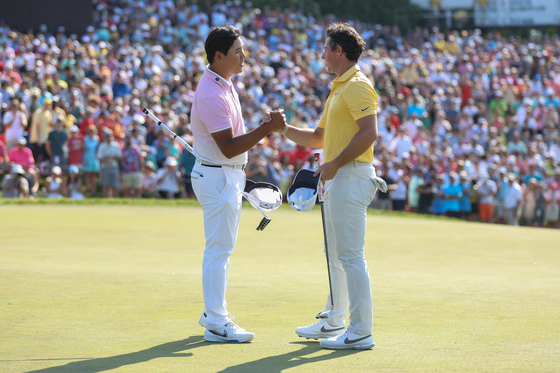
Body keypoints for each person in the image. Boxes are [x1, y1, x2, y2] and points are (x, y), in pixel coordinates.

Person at [280, 23, 379, 350]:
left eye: (326, 49)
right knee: (336, 254)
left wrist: (334, 163)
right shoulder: (339, 87)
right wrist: (282, 129)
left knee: (350, 256)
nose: (322, 54)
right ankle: (334, 320)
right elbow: (318, 138)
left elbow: (369, 133)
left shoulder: (357, 84)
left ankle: (361, 331)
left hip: (350, 174)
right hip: (339, 176)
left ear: (339, 51)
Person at [189, 25, 286, 344]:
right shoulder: (211, 92)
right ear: (219, 56)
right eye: (238, 51)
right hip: (219, 175)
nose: (244, 56)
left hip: (225, 174)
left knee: (222, 249)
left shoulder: (223, 83)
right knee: (218, 251)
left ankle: (212, 312)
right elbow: (228, 146)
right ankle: (216, 322)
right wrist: (267, 128)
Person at [97, 129, 122, 198]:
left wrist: (111, 157)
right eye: (106, 136)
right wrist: (106, 161)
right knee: (106, 185)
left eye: (109, 136)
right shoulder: (102, 146)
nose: (108, 138)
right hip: (105, 168)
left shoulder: (116, 145)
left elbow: (119, 157)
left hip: (114, 167)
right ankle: (106, 199)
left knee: (115, 185)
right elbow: (99, 158)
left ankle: (114, 199)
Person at [82, 125, 100, 194]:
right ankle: (87, 189)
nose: (91, 133)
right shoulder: (85, 139)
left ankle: (93, 190)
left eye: (92, 131)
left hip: (94, 159)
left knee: (93, 175)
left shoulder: (97, 139)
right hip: (87, 158)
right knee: (87, 174)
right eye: (89, 131)